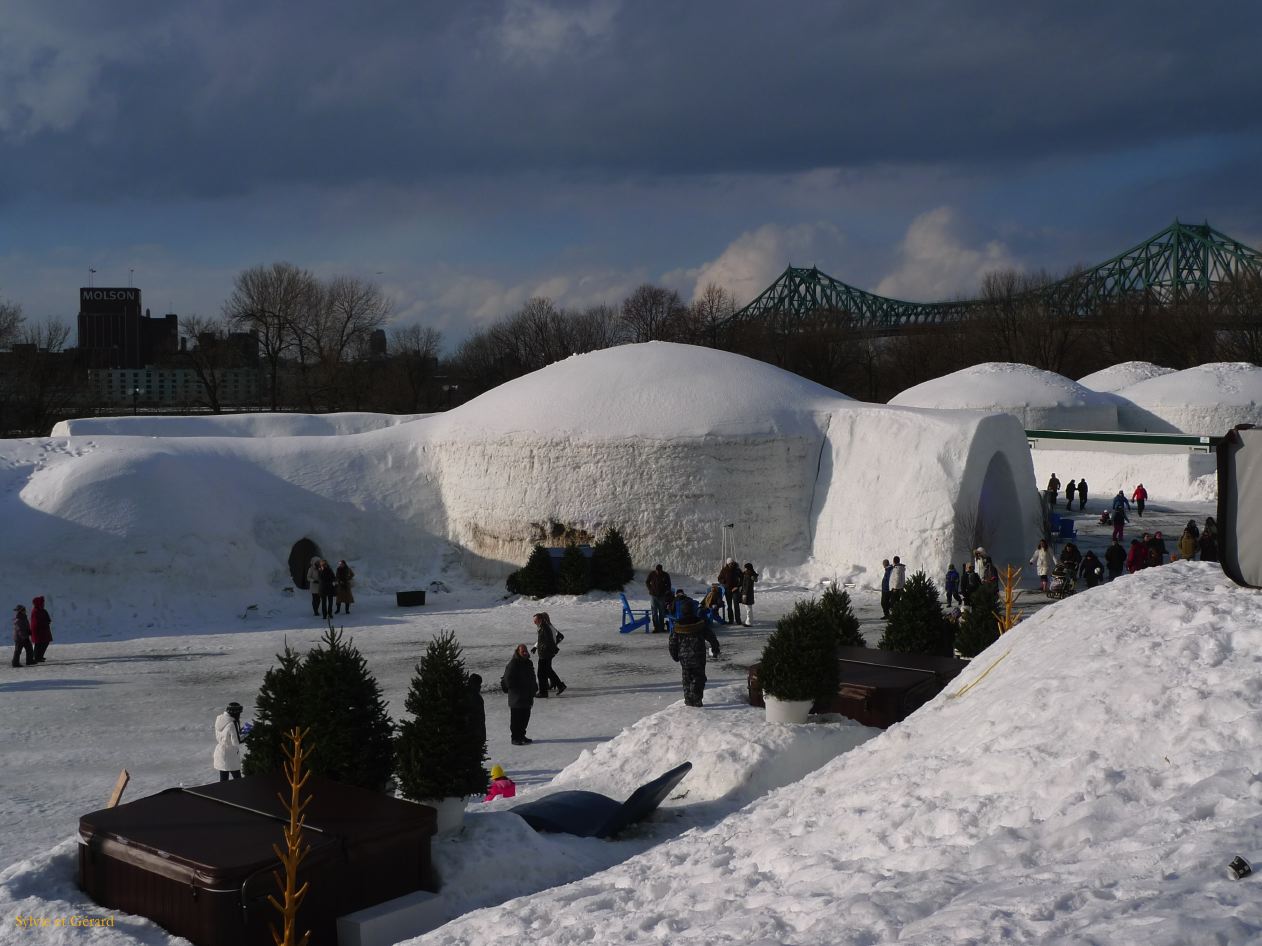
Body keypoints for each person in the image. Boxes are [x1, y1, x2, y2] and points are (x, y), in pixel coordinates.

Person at [667, 591, 720, 707]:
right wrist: (715, 648)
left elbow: (672, 643)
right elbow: (711, 637)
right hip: (698, 656)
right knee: (699, 677)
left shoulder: (677, 626)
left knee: (686, 679)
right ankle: (696, 699)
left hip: (684, 658)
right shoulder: (700, 624)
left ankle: (689, 700)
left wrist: (675, 655)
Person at [501, 644, 536, 746]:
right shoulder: (513, 664)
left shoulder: (529, 663)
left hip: (527, 696)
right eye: (522, 651)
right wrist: (516, 688)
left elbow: (532, 676)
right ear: (518, 652)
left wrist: (534, 687)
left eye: (526, 651)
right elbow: (507, 679)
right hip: (517, 697)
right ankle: (515, 738)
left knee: (525, 718)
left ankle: (522, 735)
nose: (525, 653)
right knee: (516, 719)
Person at [532, 612, 566, 697]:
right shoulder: (542, 627)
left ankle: (546, 690)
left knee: (542, 672)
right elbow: (542, 640)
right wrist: (535, 647)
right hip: (545, 652)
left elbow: (551, 640)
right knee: (546, 671)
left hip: (546, 653)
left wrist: (554, 649)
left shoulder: (547, 627)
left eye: (535, 620)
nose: (534, 622)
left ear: (541, 619)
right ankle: (554, 686)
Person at [213, 701, 245, 781]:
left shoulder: (219, 719)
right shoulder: (232, 723)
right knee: (238, 780)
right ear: (236, 713)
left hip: (220, 752)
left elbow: (225, 734)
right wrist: (247, 734)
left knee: (223, 781)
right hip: (230, 755)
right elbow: (236, 742)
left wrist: (239, 731)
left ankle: (222, 794)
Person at [464, 672, 486, 760]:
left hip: (476, 728)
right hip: (475, 729)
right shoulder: (473, 696)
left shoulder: (472, 694)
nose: (480, 687)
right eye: (479, 684)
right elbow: (476, 716)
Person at [646, 564, 673, 634]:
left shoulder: (665, 575)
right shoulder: (652, 574)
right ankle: (656, 628)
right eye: (657, 570)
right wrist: (650, 589)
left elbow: (669, 584)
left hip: (662, 596)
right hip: (653, 596)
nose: (658, 572)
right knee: (654, 612)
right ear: (655, 570)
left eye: (659, 571)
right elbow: (647, 582)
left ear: (661, 570)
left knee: (662, 612)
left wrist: (666, 591)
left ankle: (661, 627)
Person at [718, 558, 742, 625]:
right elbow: (719, 578)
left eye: (732, 563)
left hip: (735, 590)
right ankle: (731, 620)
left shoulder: (737, 569)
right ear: (728, 564)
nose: (731, 564)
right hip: (727, 590)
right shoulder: (724, 570)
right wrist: (724, 581)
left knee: (736, 605)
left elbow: (742, 579)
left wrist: (737, 586)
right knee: (729, 605)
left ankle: (738, 620)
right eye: (730, 563)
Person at [28, 595, 52, 663]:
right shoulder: (35, 611)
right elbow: (36, 622)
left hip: (44, 630)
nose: (44, 604)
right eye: (42, 603)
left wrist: (47, 621)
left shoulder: (43, 610)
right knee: (38, 644)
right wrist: (44, 623)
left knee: (45, 643)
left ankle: (40, 656)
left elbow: (47, 618)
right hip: (38, 631)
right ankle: (37, 657)